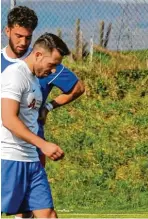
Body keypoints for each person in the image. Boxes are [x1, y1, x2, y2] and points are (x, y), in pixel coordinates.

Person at [1, 6, 85, 170]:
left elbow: (78, 88)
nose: (23, 42)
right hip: (5, 149)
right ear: (7, 31)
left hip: (33, 146)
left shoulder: (43, 61)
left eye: (28, 37)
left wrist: (48, 107)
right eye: (19, 36)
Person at [1, 33, 70, 218]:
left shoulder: (33, 80)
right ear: (38, 55)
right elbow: (8, 119)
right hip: (8, 158)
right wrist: (42, 144)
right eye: (52, 64)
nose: (54, 71)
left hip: (31, 160)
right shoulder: (15, 75)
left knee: (48, 215)